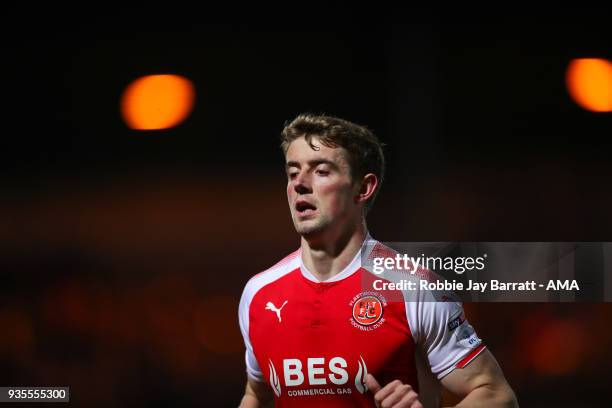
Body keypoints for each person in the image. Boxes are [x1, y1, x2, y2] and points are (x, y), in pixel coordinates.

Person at [238, 114, 517, 407]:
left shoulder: (414, 287)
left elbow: (497, 395)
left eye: (321, 171)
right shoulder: (258, 293)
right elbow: (256, 394)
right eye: (293, 172)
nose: (300, 184)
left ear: (363, 188)